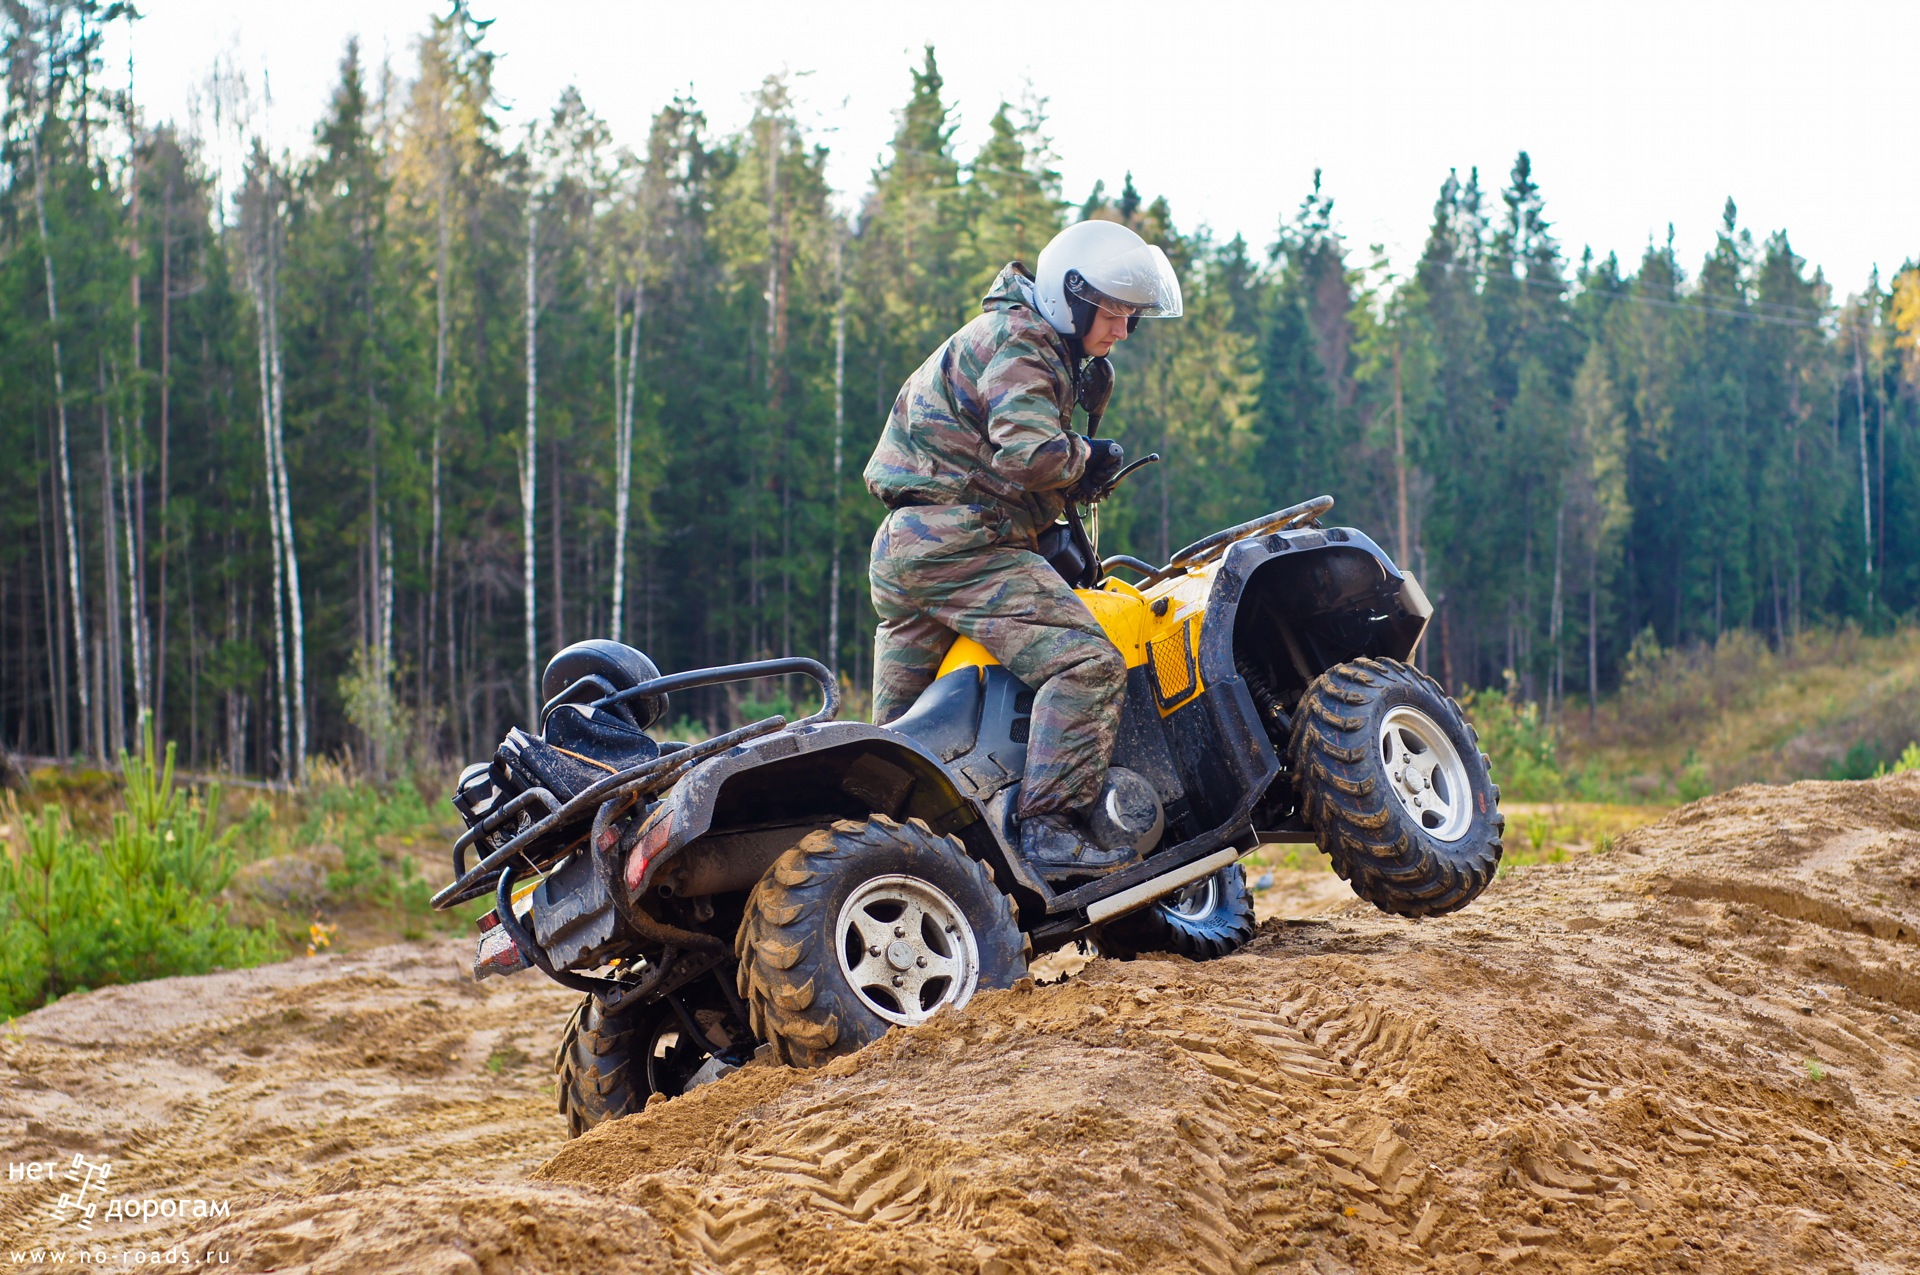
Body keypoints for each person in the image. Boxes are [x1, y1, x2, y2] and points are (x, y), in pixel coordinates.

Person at [862, 219, 1183, 881]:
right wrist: (1086, 456)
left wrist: (1052, 514)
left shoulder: (1013, 335)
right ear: (1073, 296)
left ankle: (876, 865)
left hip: (909, 548)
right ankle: (1050, 831)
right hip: (962, 544)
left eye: (1132, 317)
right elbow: (1030, 451)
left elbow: (990, 457)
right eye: (1115, 312)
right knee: (1087, 663)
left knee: (894, 754)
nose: (1122, 330)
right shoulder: (1026, 339)